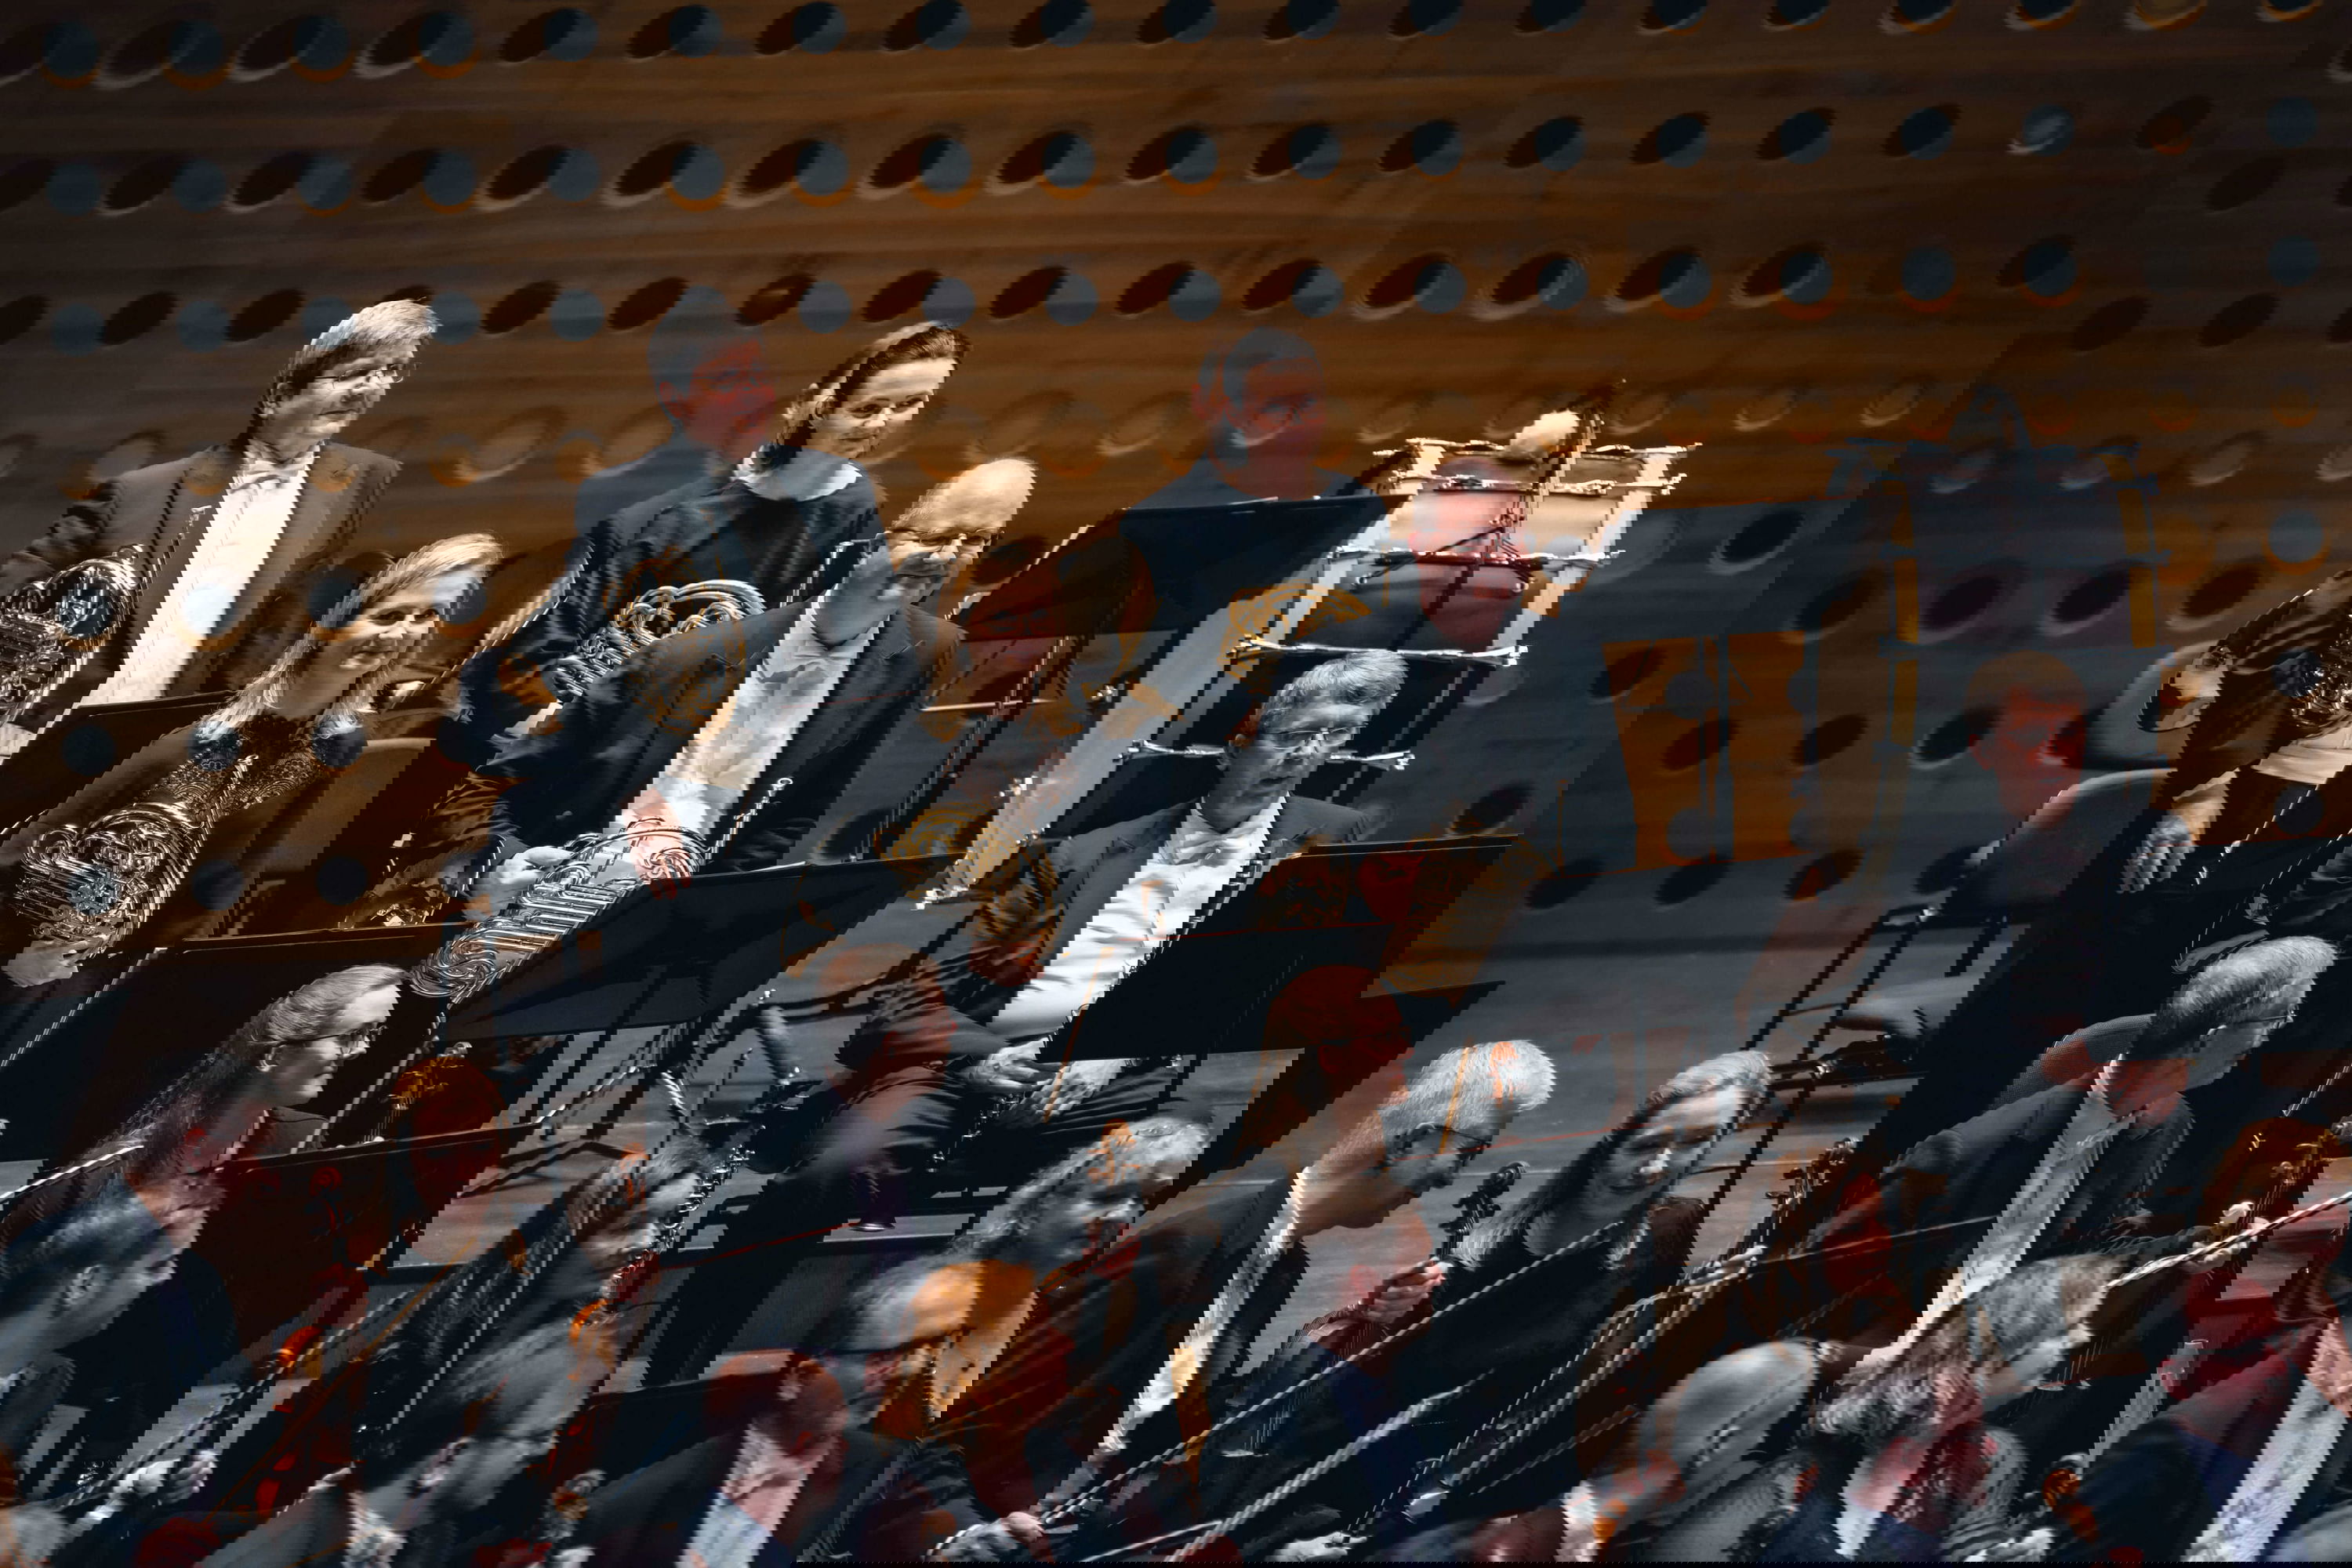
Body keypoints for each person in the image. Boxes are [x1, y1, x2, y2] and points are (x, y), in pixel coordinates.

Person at [782, 648, 1410, 1232]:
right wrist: (981, 1058)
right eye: (1291, 737)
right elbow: (921, 987)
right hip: (970, 1062)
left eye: (1332, 740)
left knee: (1167, 1199)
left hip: (1129, 1078)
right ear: (1234, 743)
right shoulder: (1079, 853)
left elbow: (1284, 985)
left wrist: (1111, 1055)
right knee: (836, 1173)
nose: (1303, 757)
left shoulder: (1328, 843)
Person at [1149, 1051, 1773, 1557]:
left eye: (1690, 1148)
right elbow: (1433, 1294)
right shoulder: (1528, 1211)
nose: (1652, 1167)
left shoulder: (1662, 1233)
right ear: (1626, 1132)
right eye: (1648, 1143)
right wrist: (1404, 1303)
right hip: (1361, 1412)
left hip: (1444, 1455)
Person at [926, 1040, 1556, 1533]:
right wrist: (971, 1524)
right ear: (1415, 1142)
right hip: (1000, 1514)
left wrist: (1353, 1327)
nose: (1449, 1181)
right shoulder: (1196, 1238)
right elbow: (984, 1398)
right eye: (1468, 1154)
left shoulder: (1278, 1260)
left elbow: (1168, 1400)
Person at [470, 460, 1036, 919]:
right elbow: (518, 771)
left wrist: (705, 904)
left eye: (973, 541)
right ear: (859, 544)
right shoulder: (688, 651)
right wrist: (498, 868)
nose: (943, 557)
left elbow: (807, 802)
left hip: (676, 903)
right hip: (560, 860)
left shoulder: (922, 652)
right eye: (927, 536)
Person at [450, 321, 967, 765]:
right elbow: (562, 598)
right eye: (871, 404)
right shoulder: (693, 480)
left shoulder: (850, 531)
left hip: (617, 749)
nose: (882, 422)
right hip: (518, 704)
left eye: (909, 405)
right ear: (821, 395)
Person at [0, 535, 503, 982]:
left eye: (425, 619)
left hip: (96, 957)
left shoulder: (336, 745)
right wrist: (16, 952)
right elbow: (42, 824)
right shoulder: (194, 709)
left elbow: (226, 875)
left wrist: (134, 966)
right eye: (388, 616)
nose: (403, 635)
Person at [0, 300, 438, 746]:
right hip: (36, 719)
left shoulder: (356, 497)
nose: (369, 391)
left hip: (155, 737)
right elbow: (22, 577)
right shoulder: (138, 491)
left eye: (388, 374)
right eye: (350, 376)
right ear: (281, 392)